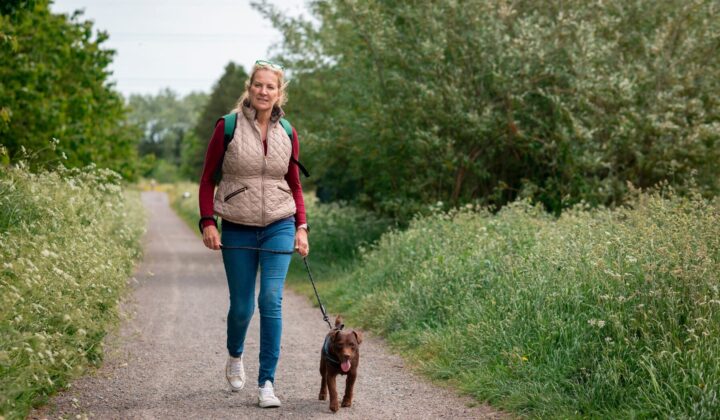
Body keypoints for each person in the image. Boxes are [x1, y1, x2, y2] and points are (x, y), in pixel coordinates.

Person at [198, 60, 309, 408]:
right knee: (243, 307)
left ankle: (267, 383)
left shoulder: (287, 132)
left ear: (279, 93)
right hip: (238, 226)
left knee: (270, 300)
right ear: (249, 88)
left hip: (279, 222)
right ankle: (235, 354)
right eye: (258, 85)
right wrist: (208, 221)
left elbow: (294, 184)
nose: (263, 91)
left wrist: (301, 226)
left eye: (270, 87)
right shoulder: (227, 127)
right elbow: (207, 180)